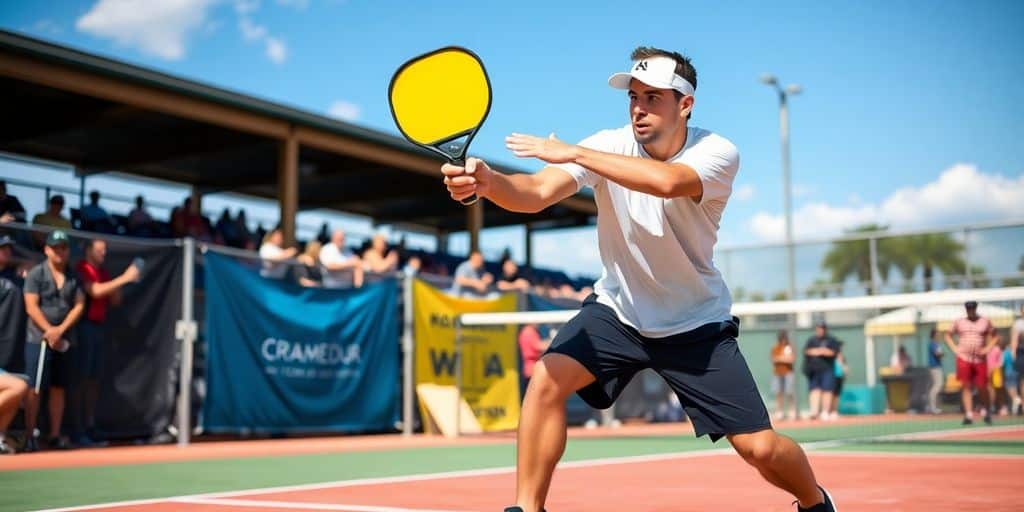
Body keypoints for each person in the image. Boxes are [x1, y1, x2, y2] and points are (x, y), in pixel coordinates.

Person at [441, 46, 836, 512]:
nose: (638, 108)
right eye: (633, 96)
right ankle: (527, 508)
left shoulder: (717, 152)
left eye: (652, 97)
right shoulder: (607, 144)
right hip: (619, 311)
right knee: (546, 379)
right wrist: (489, 183)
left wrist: (575, 152)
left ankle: (814, 500)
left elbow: (666, 182)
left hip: (696, 324)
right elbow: (535, 192)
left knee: (760, 449)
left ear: (685, 105)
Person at [72, 239, 140, 446]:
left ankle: (90, 425)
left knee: (94, 379)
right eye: (100, 250)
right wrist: (125, 278)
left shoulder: (104, 273)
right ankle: (77, 428)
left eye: (105, 251)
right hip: (83, 328)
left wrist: (123, 282)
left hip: (99, 330)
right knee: (81, 379)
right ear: (88, 250)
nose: (103, 254)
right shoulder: (81, 268)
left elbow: (115, 300)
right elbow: (95, 291)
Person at [23, 230, 85, 451]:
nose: (60, 251)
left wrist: (61, 330)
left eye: (63, 247)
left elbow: (79, 304)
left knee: (59, 388)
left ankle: (55, 435)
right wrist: (50, 331)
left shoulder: (73, 276)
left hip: (65, 340)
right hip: (38, 339)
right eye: (55, 247)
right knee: (35, 387)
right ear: (46, 249)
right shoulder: (36, 274)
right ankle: (29, 436)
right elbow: (31, 306)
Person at [945, 300, 997, 425]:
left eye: (972, 308)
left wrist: (987, 349)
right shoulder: (959, 321)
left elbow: (995, 336)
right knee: (966, 385)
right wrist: (955, 349)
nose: (971, 311)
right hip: (964, 357)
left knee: (982, 386)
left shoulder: (985, 321)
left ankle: (986, 410)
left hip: (979, 359)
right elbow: (947, 335)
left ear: (976, 308)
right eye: (968, 309)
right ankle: (968, 414)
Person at [0, 235, 28, 454]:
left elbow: (34, 263)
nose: (7, 252)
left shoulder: (14, 276)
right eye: (3, 249)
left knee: (18, 391)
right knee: (18, 387)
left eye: (9, 249)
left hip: (8, 356)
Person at [803, 322, 840, 421]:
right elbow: (807, 351)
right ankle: (814, 412)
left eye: (822, 328)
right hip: (814, 370)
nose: (820, 330)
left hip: (827, 370)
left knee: (827, 391)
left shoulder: (831, 340)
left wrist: (823, 351)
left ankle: (825, 412)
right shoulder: (811, 340)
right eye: (819, 328)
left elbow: (834, 352)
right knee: (814, 390)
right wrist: (818, 351)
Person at [770, 330, 797, 421]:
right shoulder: (775, 347)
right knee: (779, 393)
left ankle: (792, 411)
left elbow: (791, 359)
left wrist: (781, 358)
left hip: (788, 373)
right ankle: (780, 412)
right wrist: (784, 358)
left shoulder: (789, 347)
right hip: (778, 373)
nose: (783, 340)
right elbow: (774, 359)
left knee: (790, 392)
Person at [518, 323, 551, 397]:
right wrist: (552, 342)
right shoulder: (528, 331)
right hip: (532, 370)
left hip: (532, 370)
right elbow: (538, 346)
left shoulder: (529, 331)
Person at [926, 328, 945, 414]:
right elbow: (938, 354)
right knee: (937, 386)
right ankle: (932, 407)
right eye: (937, 334)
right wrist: (942, 354)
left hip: (936, 367)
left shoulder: (936, 344)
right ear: (934, 335)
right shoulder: (933, 344)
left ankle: (933, 407)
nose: (939, 335)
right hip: (935, 367)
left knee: (936, 386)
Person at [1012, 304, 1024, 415]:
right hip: (1022, 354)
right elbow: (1014, 341)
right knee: (1022, 381)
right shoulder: (1018, 324)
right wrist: (1014, 355)